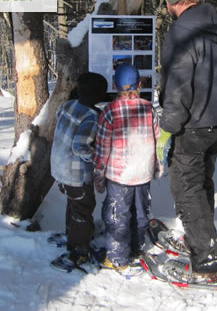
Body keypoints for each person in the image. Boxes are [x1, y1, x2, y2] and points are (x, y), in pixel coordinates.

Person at [155, 0, 217, 283]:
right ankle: (202, 241)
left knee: (186, 189)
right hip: (216, 120)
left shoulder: (181, 33)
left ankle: (207, 262)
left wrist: (166, 129)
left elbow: (177, 87)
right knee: (201, 185)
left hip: (191, 124)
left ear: (171, 1)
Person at [93, 64, 162, 271]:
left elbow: (102, 147)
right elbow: (159, 141)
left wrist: (99, 174)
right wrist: (158, 166)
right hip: (143, 172)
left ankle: (117, 258)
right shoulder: (149, 109)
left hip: (119, 175)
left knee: (117, 215)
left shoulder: (109, 111)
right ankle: (136, 249)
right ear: (140, 84)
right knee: (141, 213)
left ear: (115, 85)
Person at [50, 72, 109, 270]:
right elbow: (80, 146)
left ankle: (72, 234)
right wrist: (98, 159)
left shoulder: (68, 105)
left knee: (74, 204)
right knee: (83, 208)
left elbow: (61, 121)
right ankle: (78, 249)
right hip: (76, 174)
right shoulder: (91, 117)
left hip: (58, 168)